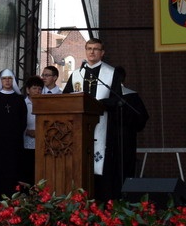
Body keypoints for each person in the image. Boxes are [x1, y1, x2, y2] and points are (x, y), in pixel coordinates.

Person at [62, 38, 123, 200]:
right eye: (89, 48)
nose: (92, 52)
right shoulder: (76, 74)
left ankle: (102, 201)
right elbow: (65, 99)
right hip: (79, 128)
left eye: (96, 49)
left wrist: (98, 104)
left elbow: (116, 100)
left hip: (103, 126)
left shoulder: (111, 73)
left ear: (102, 53)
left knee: (101, 166)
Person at [0, 69, 27, 201]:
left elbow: (23, 121)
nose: (7, 81)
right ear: (0, 81)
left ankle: (12, 196)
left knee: (13, 169)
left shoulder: (19, 100)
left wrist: (13, 133)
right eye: (4, 79)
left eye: (10, 79)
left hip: (13, 143)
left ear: (13, 81)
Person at [106, 67, 150, 191]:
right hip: (111, 139)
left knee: (123, 168)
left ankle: (123, 197)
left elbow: (141, 118)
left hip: (124, 139)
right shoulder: (104, 97)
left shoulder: (130, 96)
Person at [21, 75, 44, 187]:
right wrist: (27, 131)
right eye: (34, 88)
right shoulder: (22, 104)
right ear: (28, 90)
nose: (37, 91)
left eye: (40, 89)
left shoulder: (45, 105)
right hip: (26, 144)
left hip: (41, 145)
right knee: (27, 172)